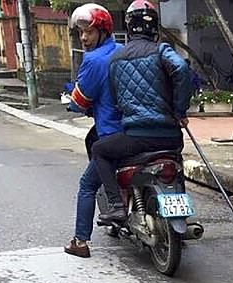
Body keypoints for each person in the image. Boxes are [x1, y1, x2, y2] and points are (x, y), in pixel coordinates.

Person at [92, 0, 194, 223]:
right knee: (176, 163)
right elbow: (182, 69)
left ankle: (117, 206)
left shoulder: (116, 60)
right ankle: (181, 211)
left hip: (137, 138)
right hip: (171, 137)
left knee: (99, 150)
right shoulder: (161, 51)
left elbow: (116, 100)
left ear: (129, 27)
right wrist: (179, 109)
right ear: (154, 27)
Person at [64, 3, 123, 258]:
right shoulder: (124, 51)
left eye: (88, 32)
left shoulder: (93, 61)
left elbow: (79, 101)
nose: (84, 38)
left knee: (87, 184)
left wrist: (76, 102)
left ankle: (80, 240)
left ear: (103, 31)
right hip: (144, 130)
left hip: (111, 133)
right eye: (81, 33)